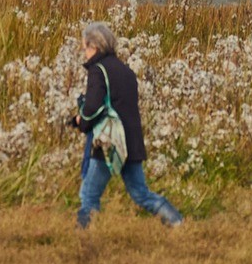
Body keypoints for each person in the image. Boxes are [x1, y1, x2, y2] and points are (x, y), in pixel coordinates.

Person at [70, 21, 184, 229]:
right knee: (141, 194)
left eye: (85, 46)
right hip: (131, 142)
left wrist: (81, 121)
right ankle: (178, 223)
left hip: (109, 143)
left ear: (94, 46)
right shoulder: (126, 70)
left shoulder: (98, 70)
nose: (84, 51)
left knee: (88, 195)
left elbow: (93, 106)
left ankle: (82, 238)